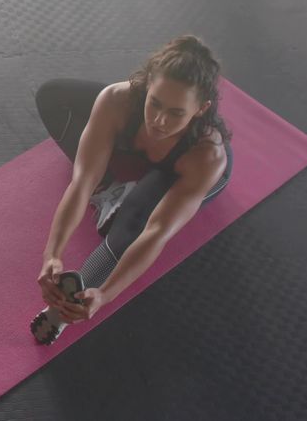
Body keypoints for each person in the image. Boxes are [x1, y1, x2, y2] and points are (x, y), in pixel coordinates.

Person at [30, 35, 234, 344]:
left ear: (201, 109)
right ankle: (115, 188)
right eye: (155, 103)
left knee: (135, 222)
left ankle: (70, 303)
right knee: (51, 95)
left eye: (177, 113)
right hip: (134, 153)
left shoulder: (205, 156)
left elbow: (157, 232)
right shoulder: (117, 99)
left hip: (177, 172)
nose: (160, 120)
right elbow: (82, 181)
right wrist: (52, 254)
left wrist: (105, 294)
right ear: (147, 85)